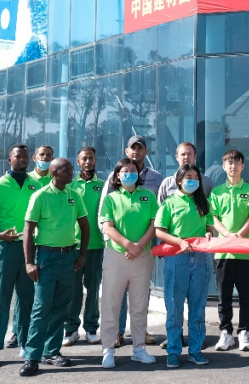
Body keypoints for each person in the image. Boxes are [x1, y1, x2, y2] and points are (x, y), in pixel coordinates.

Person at [20, 158, 90, 377]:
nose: (71, 171)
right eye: (65, 169)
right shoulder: (40, 196)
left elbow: (85, 226)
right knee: (41, 308)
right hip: (46, 258)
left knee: (61, 307)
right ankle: (32, 357)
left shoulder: (74, 195)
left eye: (70, 168)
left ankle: (51, 352)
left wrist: (82, 255)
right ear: (54, 173)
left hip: (68, 257)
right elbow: (28, 231)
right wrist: (29, 262)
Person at [100, 135, 163, 349]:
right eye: (132, 148)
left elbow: (157, 220)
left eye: (140, 148)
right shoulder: (112, 190)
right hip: (117, 252)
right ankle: (113, 341)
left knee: (139, 301)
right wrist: (126, 245)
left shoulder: (153, 184)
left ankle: (139, 342)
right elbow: (106, 222)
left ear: (145, 151)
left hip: (144, 252)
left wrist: (140, 246)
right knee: (113, 300)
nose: (136, 151)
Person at [0, 144, 41, 368]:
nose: (22, 159)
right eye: (18, 156)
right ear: (10, 160)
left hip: (29, 249)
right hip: (6, 249)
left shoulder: (36, 185)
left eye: (25, 156)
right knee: (1, 299)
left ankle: (25, 344)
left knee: (27, 298)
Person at [155, 163, 214, 367]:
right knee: (174, 307)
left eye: (196, 178)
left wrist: (209, 233)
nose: (193, 181)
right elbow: (160, 231)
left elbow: (209, 226)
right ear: (179, 181)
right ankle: (173, 351)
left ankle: (195, 350)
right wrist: (179, 242)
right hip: (176, 258)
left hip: (200, 259)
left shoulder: (203, 202)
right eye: (188, 177)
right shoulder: (170, 202)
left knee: (198, 307)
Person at [210, 149, 249, 353]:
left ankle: (244, 331)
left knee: (246, 296)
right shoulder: (216, 192)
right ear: (223, 166)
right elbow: (213, 218)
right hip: (223, 252)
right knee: (224, 297)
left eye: (237, 163)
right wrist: (228, 235)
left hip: (245, 252)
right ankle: (226, 333)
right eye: (229, 163)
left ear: (243, 166)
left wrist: (239, 234)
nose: (233, 166)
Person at [64, 147, 105, 347]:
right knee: (73, 290)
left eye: (91, 158)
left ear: (95, 160)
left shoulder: (103, 186)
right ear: (78, 162)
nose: (88, 162)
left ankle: (91, 328)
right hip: (74, 245)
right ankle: (71, 329)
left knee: (93, 288)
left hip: (96, 245)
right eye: (84, 159)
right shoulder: (70, 186)